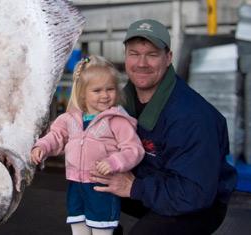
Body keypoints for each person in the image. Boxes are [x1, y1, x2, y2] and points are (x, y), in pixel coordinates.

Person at [89, 19, 238, 235]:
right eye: (134, 54)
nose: (141, 63)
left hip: (197, 201)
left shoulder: (191, 117)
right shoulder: (120, 102)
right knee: (87, 193)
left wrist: (134, 187)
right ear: (126, 56)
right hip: (149, 182)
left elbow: (194, 191)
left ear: (168, 58)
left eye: (152, 54)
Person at [30, 55, 145, 235]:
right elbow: (56, 136)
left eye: (110, 89)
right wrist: (42, 147)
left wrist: (115, 162)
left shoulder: (116, 120)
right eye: (97, 90)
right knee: (79, 231)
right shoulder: (70, 119)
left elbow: (134, 149)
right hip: (76, 186)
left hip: (101, 187)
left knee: (101, 231)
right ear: (82, 93)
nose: (105, 95)